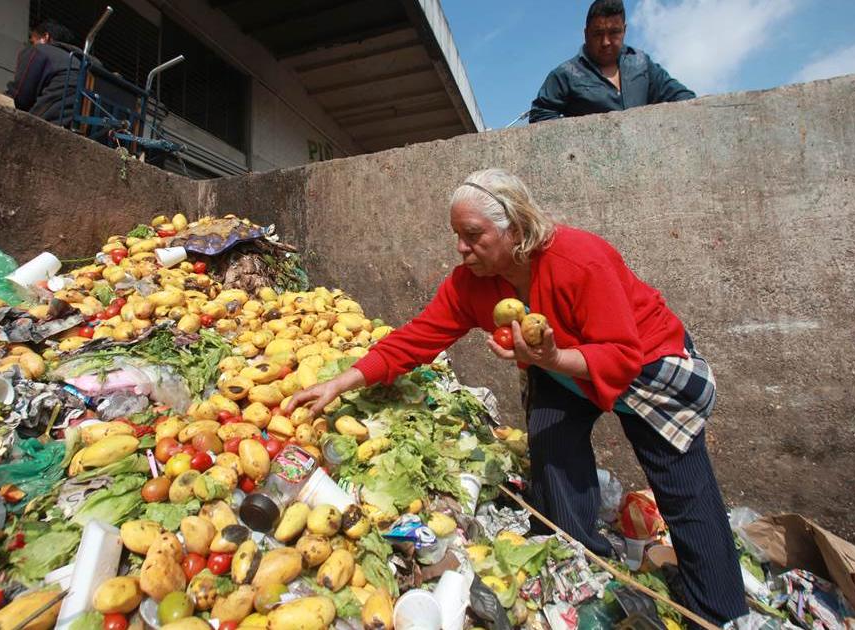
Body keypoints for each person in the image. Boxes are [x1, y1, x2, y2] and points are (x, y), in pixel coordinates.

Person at [285, 168, 748, 625]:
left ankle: (719, 610)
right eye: (457, 236)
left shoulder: (580, 259)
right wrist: (342, 381)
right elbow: (419, 338)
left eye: (473, 234)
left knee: (681, 486)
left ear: (517, 227)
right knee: (553, 452)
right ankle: (584, 561)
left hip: (644, 365)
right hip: (560, 367)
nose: (462, 248)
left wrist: (553, 357)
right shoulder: (472, 283)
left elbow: (621, 353)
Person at [529, 0, 695, 123]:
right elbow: (540, 116)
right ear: (586, 34)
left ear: (624, 30)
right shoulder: (564, 74)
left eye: (614, 32)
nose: (606, 42)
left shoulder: (641, 63)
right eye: (598, 34)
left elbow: (683, 98)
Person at [6, 20, 82, 124]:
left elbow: (20, 97)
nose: (32, 45)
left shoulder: (41, 50)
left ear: (45, 37)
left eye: (32, 42)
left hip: (45, 125)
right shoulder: (83, 63)